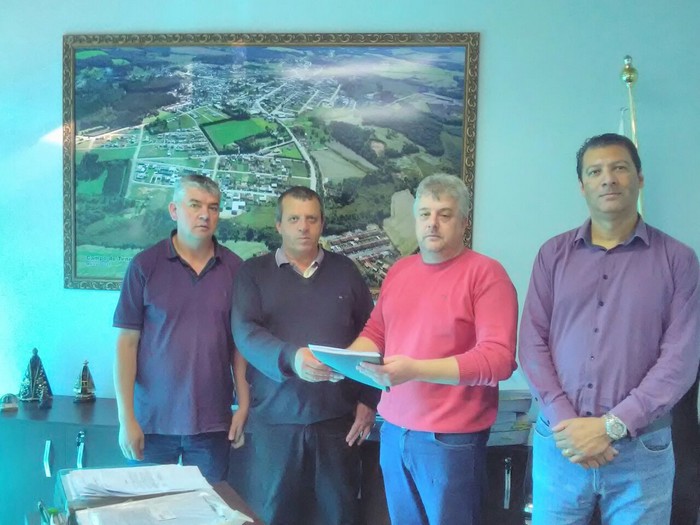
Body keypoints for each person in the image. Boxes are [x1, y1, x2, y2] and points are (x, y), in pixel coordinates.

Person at [519, 133, 700, 525]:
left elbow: (681, 359)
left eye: (619, 168)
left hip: (641, 449)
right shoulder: (552, 255)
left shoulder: (679, 260)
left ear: (640, 178)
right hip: (561, 444)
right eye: (595, 171)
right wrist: (567, 423)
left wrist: (613, 426)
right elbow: (532, 343)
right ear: (582, 185)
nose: (608, 179)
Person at [349, 173, 519, 525]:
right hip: (393, 431)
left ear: (463, 222)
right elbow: (376, 332)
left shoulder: (487, 274)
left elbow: (498, 360)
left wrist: (415, 369)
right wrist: (343, 361)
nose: (432, 223)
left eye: (445, 214)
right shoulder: (400, 270)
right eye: (425, 214)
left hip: (451, 440)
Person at [231, 186, 379, 525]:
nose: (303, 227)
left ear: (322, 224)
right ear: (278, 225)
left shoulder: (346, 271)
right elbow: (245, 333)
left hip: (338, 421)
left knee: (338, 515)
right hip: (275, 422)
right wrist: (292, 358)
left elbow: (372, 334)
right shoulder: (252, 273)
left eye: (311, 219)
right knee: (273, 514)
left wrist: (369, 399)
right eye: (294, 219)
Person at [113, 174, 249, 482]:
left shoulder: (235, 269)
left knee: (209, 506)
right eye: (195, 205)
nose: (205, 215)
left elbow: (240, 346)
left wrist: (243, 405)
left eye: (213, 207)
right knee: (149, 507)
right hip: (151, 423)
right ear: (174, 211)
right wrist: (126, 418)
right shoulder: (144, 266)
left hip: (212, 424)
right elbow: (126, 344)